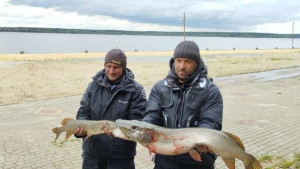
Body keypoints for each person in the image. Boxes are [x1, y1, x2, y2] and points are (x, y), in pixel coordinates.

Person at [143, 40, 223, 169]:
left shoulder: (210, 90)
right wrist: (144, 130)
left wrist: (201, 141)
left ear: (196, 64)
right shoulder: (159, 87)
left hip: (198, 161)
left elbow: (211, 122)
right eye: (178, 60)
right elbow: (151, 115)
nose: (182, 66)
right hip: (165, 160)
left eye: (187, 61)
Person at [74, 48, 147, 169]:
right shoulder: (93, 85)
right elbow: (83, 111)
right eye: (108, 66)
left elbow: (137, 122)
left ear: (123, 68)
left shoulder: (135, 90)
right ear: (104, 66)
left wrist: (118, 134)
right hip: (93, 153)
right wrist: (80, 129)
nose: (111, 71)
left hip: (120, 156)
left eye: (116, 67)